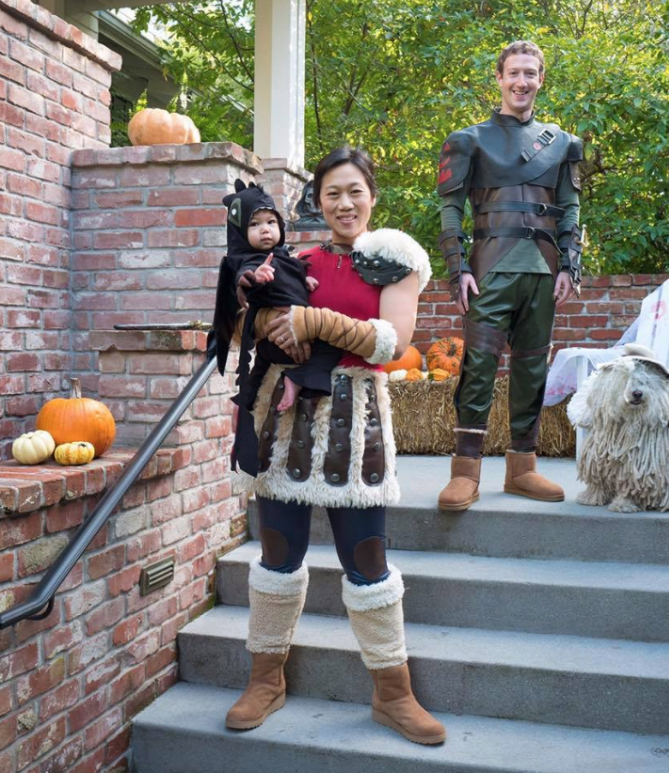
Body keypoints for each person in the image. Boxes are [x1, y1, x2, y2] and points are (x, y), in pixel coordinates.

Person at [224, 147, 445, 746]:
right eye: (331, 194)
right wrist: (264, 320)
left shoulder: (395, 261)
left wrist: (315, 322)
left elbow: (393, 342)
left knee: (368, 562)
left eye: (354, 191)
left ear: (372, 195)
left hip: (360, 426)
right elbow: (249, 326)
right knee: (276, 556)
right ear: (315, 201)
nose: (343, 203)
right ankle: (266, 680)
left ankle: (392, 694)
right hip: (287, 427)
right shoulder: (294, 259)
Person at [436, 40, 585, 512]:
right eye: (513, 73)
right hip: (488, 270)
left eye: (530, 73)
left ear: (541, 79)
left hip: (542, 272)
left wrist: (570, 264)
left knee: (531, 369)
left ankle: (523, 468)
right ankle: (466, 471)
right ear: (499, 78)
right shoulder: (468, 140)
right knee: (477, 369)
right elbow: (449, 209)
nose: (521, 82)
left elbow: (570, 208)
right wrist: (457, 269)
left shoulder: (563, 143)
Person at [210, 181, 343, 478]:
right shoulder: (247, 259)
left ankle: (243, 402)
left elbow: (291, 271)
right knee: (330, 345)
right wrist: (255, 276)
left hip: (284, 338)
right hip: (277, 333)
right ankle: (297, 380)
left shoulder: (283, 256)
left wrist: (303, 279)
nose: (266, 229)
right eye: (255, 224)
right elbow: (242, 280)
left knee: (256, 375)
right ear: (240, 232)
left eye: (271, 222)